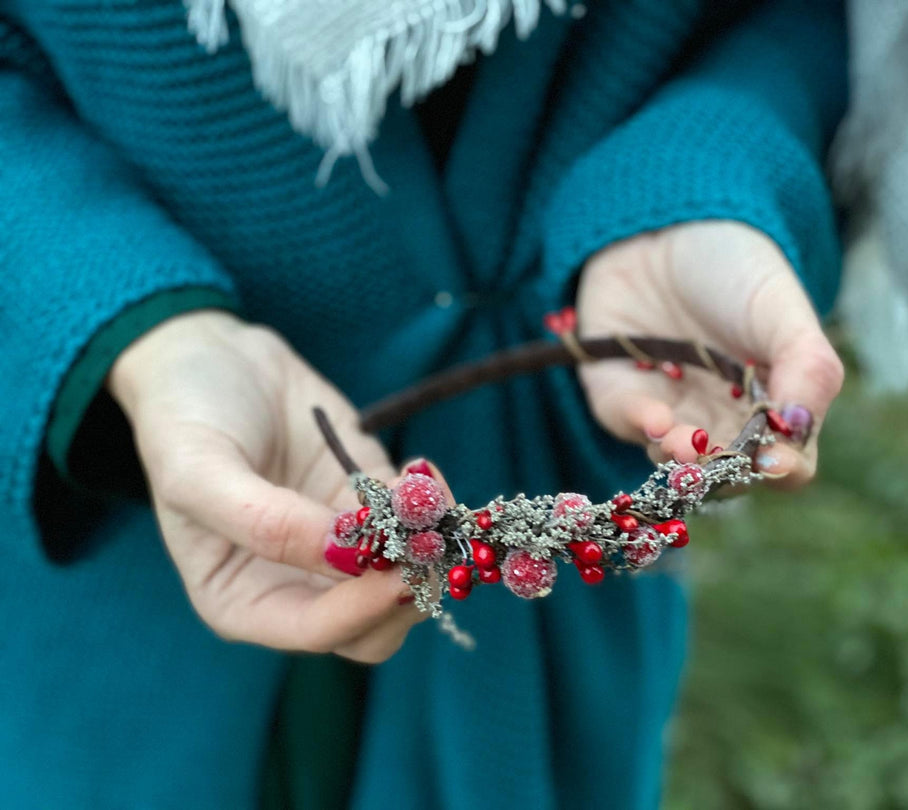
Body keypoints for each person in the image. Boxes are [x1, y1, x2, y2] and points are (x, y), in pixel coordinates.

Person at [0, 0, 848, 807]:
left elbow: (831, 24)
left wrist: (698, 175)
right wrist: (127, 316)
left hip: (563, 546)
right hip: (119, 546)